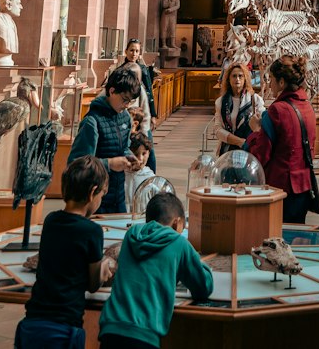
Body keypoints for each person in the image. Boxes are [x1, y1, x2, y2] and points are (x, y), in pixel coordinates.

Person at [98, 191, 213, 349]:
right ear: (176, 223)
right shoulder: (179, 243)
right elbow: (203, 287)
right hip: (144, 336)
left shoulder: (131, 235)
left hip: (111, 329)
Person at [17, 154, 108, 349]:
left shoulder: (51, 221)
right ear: (93, 192)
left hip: (32, 323)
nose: (100, 200)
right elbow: (93, 284)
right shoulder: (92, 231)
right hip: (64, 328)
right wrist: (107, 265)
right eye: (101, 195)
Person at [245, 53, 318, 222]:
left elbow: (261, 155)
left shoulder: (277, 110)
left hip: (280, 188)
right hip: (304, 188)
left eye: (271, 79)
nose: (269, 84)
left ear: (282, 82)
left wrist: (255, 131)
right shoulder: (308, 107)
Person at [68, 64, 142, 214]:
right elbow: (76, 163)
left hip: (118, 196)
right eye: (124, 99)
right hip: (93, 200)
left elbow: (123, 147)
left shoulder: (126, 118)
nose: (126, 105)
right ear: (112, 91)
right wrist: (109, 164)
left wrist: (130, 157)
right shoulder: (92, 122)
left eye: (130, 102)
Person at [213, 61, 264, 152]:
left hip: (249, 148)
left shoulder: (255, 100)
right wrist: (240, 142)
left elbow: (262, 125)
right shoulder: (220, 102)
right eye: (234, 76)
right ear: (228, 79)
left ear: (245, 79)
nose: (237, 79)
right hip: (227, 150)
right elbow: (217, 129)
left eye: (240, 76)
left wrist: (248, 143)